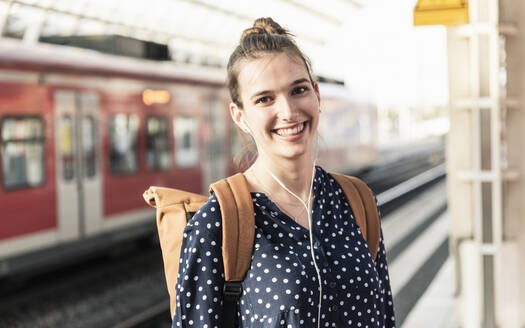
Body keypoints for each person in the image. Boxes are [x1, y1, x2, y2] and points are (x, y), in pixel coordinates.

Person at [173, 17, 396, 328]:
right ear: (240, 116)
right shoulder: (218, 223)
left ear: (317, 95)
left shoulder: (357, 202)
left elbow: (385, 317)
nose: (289, 112)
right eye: (265, 99)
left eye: (298, 90)